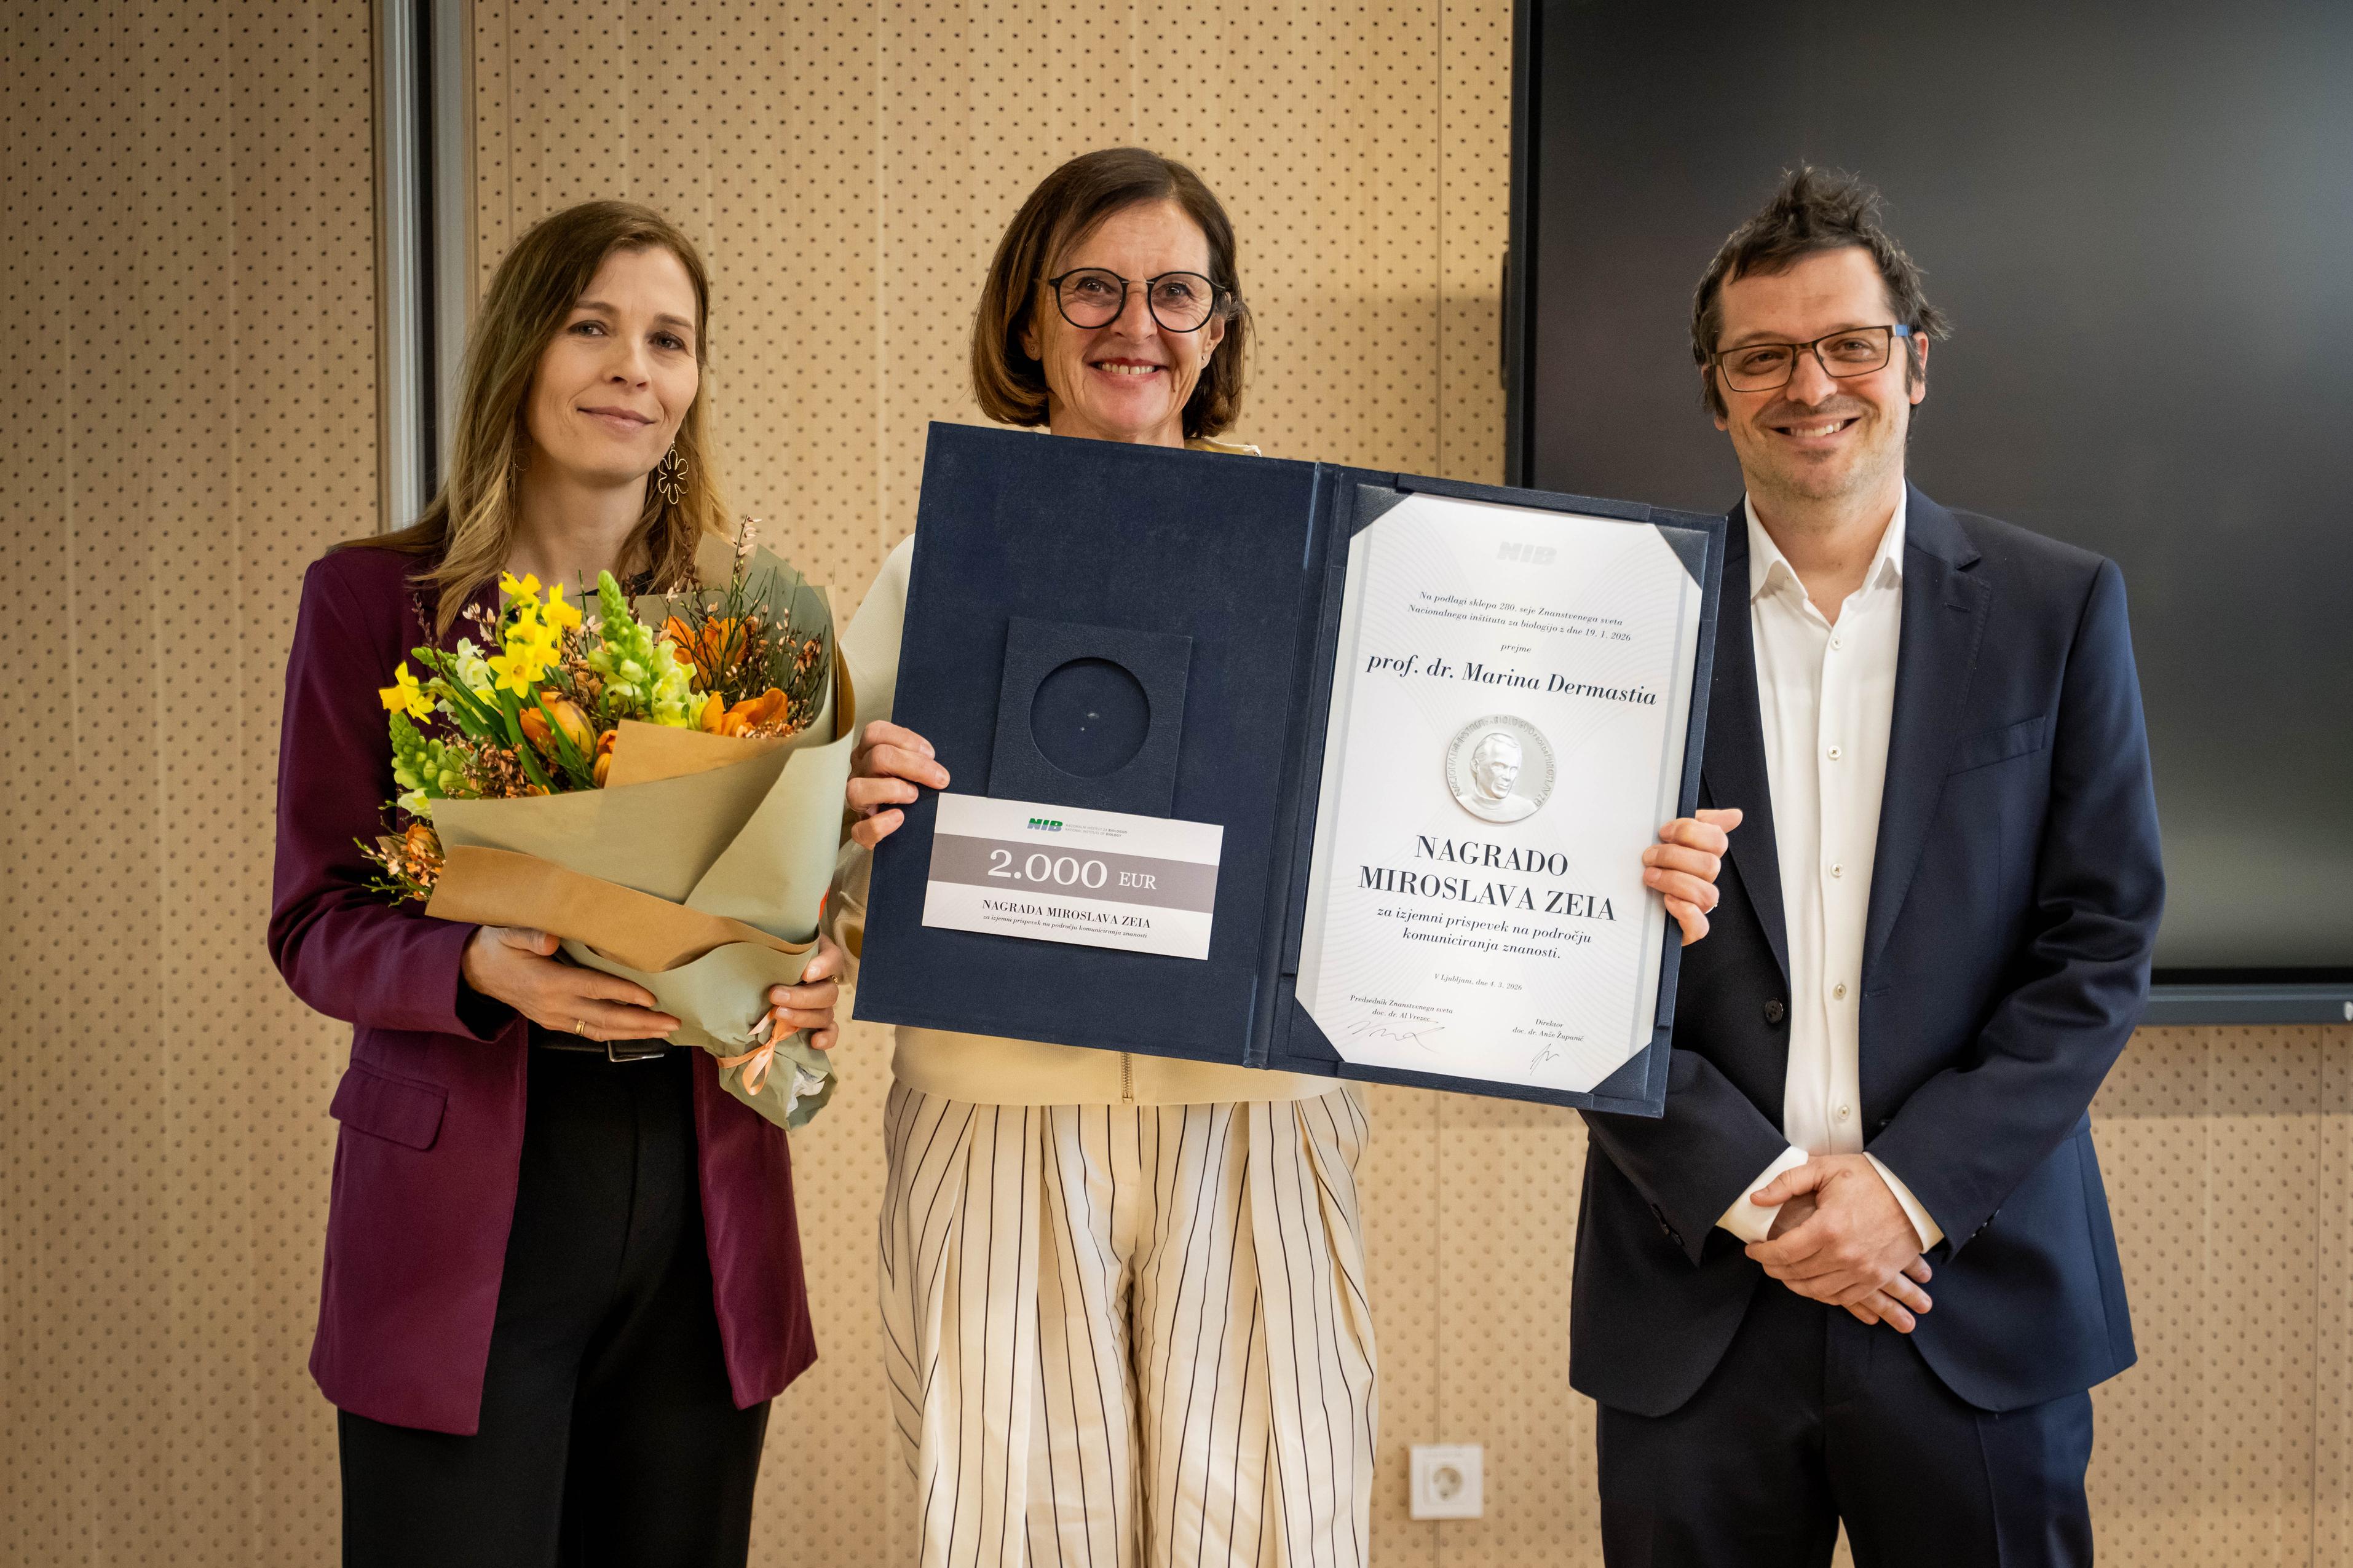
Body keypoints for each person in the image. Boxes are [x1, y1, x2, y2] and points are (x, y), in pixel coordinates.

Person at [823, 147, 1738, 1568]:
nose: (1137, 324)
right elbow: (831, 882)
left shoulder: (1345, 560)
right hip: (995, 1112)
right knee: (1007, 1524)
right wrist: (846, 817)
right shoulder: (929, 560)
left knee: (1270, 1523)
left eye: (1177, 292)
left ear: (1222, 326)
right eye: (1092, 288)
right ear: (1026, 316)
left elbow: (1462, 785)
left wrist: (1618, 856)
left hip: (1256, 1113)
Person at [1572, 167, 2164, 1566]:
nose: (1811, 385)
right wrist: (1761, 1192)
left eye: (1850, 343)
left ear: (1914, 362)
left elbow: (2100, 944)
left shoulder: (2058, 609)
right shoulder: (1606, 625)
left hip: (1972, 1292)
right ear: (1716, 390)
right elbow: (1554, 958)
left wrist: (1902, 1195)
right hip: (1700, 1289)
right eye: (1762, 356)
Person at [269, 200, 844, 1567]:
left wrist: (821, 967)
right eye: (593, 327)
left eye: (669, 340)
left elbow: (801, 895)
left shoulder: (756, 620)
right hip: (467, 1205)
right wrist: (475, 965)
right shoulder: (374, 601)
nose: (633, 368)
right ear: (523, 351)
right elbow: (315, 922)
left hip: (702, 1208)